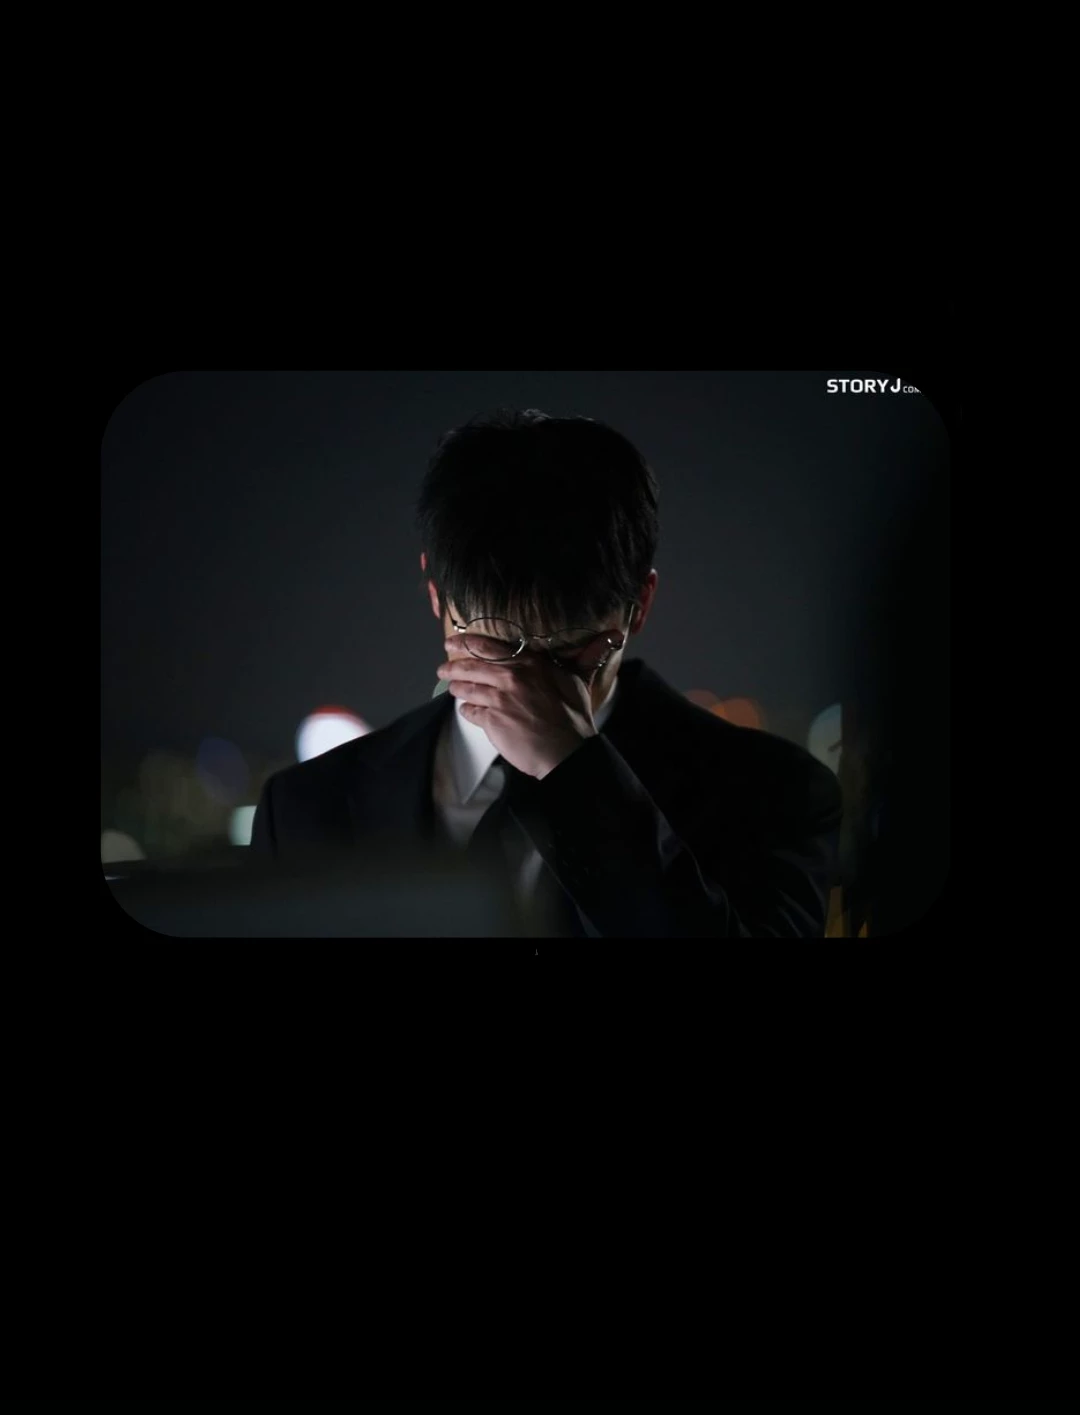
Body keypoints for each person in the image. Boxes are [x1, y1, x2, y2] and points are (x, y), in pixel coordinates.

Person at [250, 408, 842, 937]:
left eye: (570, 652)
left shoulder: (774, 795)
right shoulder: (305, 809)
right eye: (496, 646)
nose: (528, 686)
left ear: (639, 604)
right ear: (436, 594)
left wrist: (578, 770)